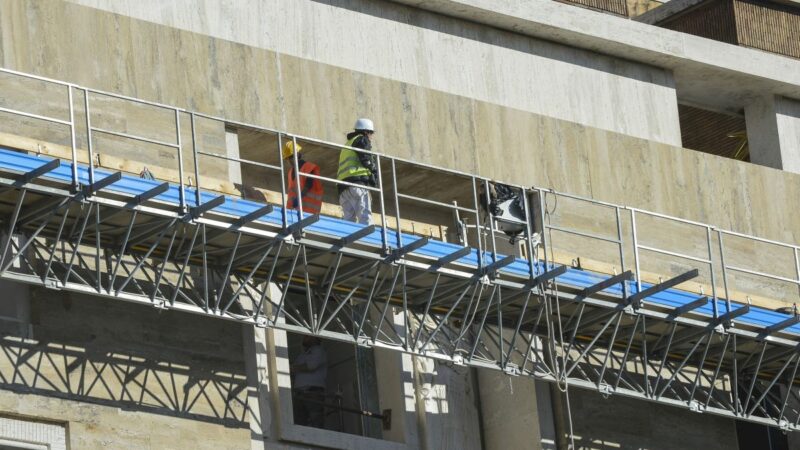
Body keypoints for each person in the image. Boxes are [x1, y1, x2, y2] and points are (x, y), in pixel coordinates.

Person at [337, 118, 378, 225]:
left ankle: (349, 240)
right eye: (371, 133)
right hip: (357, 185)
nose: (371, 136)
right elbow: (366, 158)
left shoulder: (347, 144)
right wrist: (373, 171)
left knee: (349, 221)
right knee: (365, 216)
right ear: (366, 132)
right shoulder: (362, 139)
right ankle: (369, 240)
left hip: (343, 188)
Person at [291, 335, 328, 428]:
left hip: (312, 391)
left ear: (314, 338)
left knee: (315, 420)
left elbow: (311, 366)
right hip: (300, 393)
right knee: (299, 422)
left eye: (307, 337)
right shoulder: (303, 355)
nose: (304, 338)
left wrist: (291, 368)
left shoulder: (318, 351)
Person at [283, 141, 324, 215]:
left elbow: (308, 185)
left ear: (298, 154)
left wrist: (298, 199)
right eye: (289, 158)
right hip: (293, 213)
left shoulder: (309, 167)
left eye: (291, 157)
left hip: (309, 213)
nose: (290, 160)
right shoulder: (290, 172)